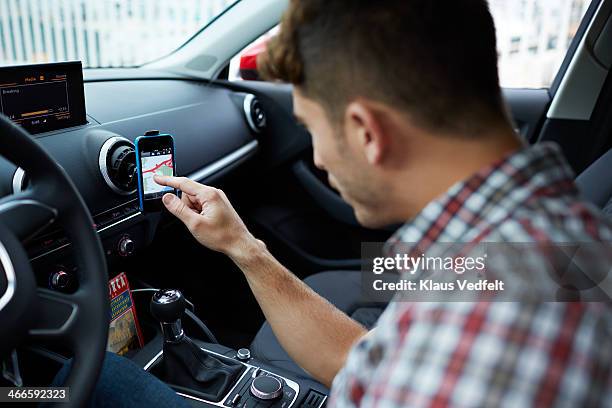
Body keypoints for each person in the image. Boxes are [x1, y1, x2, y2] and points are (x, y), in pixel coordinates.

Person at [62, 0, 612, 406]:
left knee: (76, 381)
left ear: (366, 132)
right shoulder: (549, 243)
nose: (320, 158)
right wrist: (243, 247)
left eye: (311, 129)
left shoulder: (469, 335)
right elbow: (367, 362)